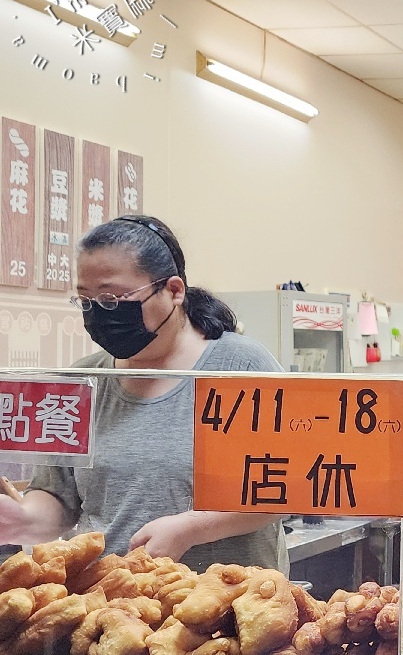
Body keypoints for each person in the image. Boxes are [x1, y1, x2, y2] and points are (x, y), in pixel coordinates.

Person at [0, 216, 287, 572]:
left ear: (174, 290)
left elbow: (286, 491)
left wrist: (191, 528)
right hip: (111, 606)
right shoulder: (81, 381)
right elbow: (58, 498)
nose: (99, 315)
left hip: (227, 608)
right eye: (85, 301)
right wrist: (21, 518)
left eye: (112, 298)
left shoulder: (240, 367)